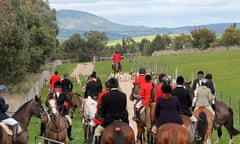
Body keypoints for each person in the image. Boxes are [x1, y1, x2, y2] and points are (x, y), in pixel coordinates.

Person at [94, 78, 129, 144]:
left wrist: (102, 116)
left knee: (97, 132)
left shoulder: (105, 96)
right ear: (117, 85)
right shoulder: (123, 95)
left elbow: (103, 110)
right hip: (122, 119)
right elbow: (124, 108)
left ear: (109, 86)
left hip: (109, 120)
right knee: (130, 131)